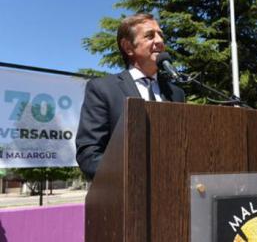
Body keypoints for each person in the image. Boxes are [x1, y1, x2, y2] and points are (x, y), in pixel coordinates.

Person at [75, 13, 185, 179]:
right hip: (126, 196)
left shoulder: (176, 93)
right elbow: (89, 156)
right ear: (128, 47)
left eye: (161, 35)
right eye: (149, 36)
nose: (160, 41)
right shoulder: (103, 89)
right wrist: (138, 173)